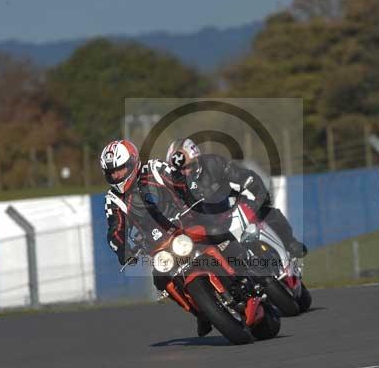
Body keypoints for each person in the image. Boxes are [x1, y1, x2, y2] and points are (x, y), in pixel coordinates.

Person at [100, 139, 214, 336]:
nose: (116, 175)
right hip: (159, 244)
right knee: (160, 280)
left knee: (219, 234)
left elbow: (179, 181)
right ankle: (200, 313)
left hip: (186, 221)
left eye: (120, 169)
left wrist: (195, 199)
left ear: (133, 163)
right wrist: (123, 250)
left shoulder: (153, 168)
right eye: (111, 172)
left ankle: (252, 270)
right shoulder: (112, 199)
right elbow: (115, 230)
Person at [166, 138, 307, 258]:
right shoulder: (176, 185)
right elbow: (175, 212)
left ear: (196, 158)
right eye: (181, 170)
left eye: (189, 166)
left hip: (234, 209)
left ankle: (290, 243)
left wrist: (259, 201)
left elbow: (247, 177)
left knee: (270, 213)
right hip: (210, 227)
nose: (186, 171)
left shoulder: (214, 162)